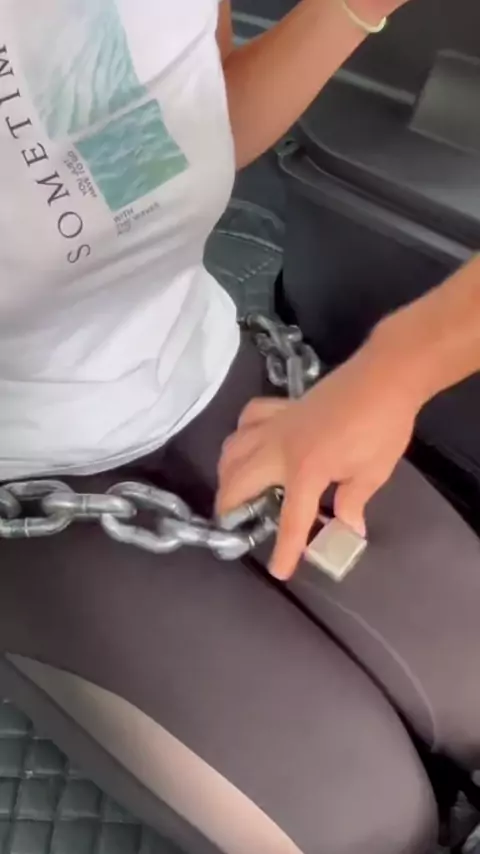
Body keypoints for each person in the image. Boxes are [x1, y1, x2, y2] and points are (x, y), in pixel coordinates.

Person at [1, 2, 480, 853]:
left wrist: (392, 375)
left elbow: (165, 142)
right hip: (24, 477)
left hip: (201, 361)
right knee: (367, 823)